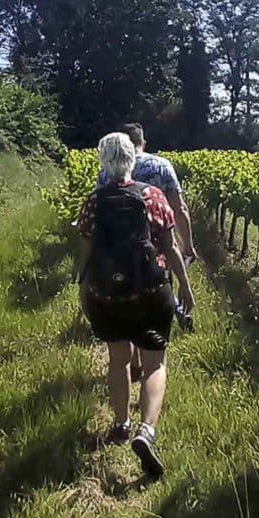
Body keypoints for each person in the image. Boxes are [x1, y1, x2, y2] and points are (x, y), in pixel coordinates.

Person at [74, 132, 195, 479]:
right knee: (155, 364)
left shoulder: (94, 202)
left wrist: (84, 290)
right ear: (132, 159)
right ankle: (147, 430)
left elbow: (85, 254)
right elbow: (170, 248)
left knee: (118, 360)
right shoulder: (152, 195)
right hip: (151, 291)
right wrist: (185, 287)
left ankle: (121, 423)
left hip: (109, 295)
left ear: (103, 162)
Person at [96, 123, 197, 380]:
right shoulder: (161, 166)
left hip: (117, 260)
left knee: (125, 302)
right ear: (143, 142)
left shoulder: (106, 172)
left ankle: (134, 364)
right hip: (155, 256)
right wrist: (188, 244)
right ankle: (147, 356)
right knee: (152, 300)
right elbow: (179, 208)